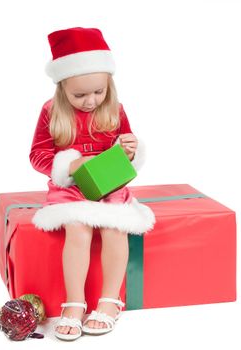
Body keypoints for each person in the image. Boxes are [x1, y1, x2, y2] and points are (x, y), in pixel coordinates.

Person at [29, 27, 155, 341]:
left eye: (98, 92)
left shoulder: (115, 109)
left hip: (109, 184)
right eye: (80, 95)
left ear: (108, 85)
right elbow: (38, 155)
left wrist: (129, 148)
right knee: (78, 226)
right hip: (71, 186)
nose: (90, 101)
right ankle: (74, 303)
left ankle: (110, 300)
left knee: (115, 226)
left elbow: (126, 146)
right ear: (62, 88)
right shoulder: (51, 111)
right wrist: (68, 165)